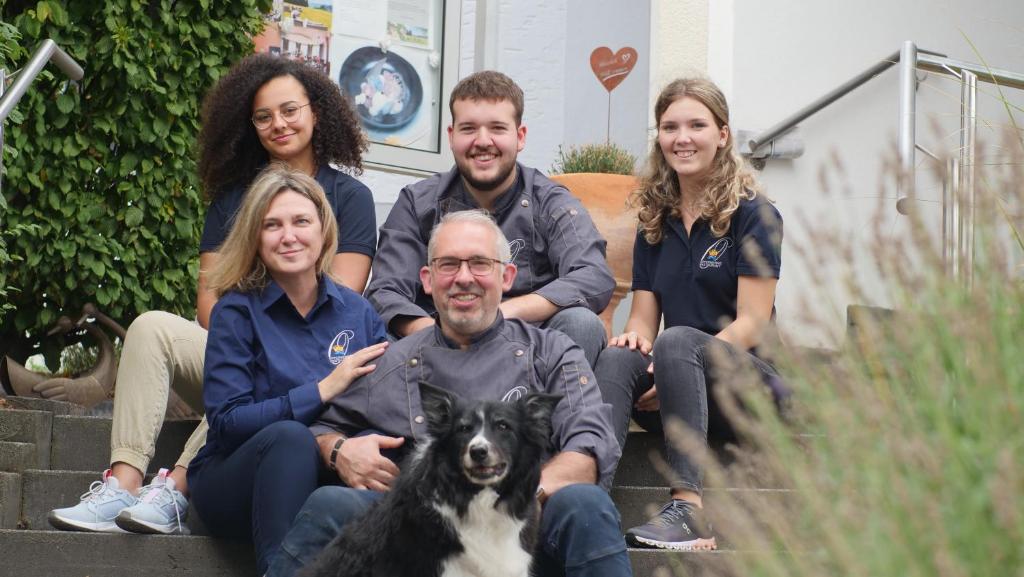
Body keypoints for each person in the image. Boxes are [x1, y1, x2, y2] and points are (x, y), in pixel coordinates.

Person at [48, 53, 376, 536]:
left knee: (264, 372)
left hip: (320, 361)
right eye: (262, 117)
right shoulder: (231, 201)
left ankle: (177, 489)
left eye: (290, 110)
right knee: (152, 326)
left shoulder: (350, 197)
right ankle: (123, 483)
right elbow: (209, 304)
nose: (277, 124)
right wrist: (248, 331)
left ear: (317, 112)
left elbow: (341, 299)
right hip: (236, 346)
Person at [266, 210, 632, 577]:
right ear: (427, 280)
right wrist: (340, 450)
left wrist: (515, 498)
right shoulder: (392, 361)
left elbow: (587, 446)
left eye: (479, 264)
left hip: (520, 529)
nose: (463, 278)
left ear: (506, 277)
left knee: (586, 503)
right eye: (448, 265)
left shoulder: (552, 352)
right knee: (330, 503)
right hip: (430, 533)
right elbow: (320, 428)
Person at [593, 78, 783, 551]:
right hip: (678, 395)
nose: (683, 137)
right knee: (618, 357)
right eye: (670, 126)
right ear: (659, 136)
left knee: (677, 340)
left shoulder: (755, 214)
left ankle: (688, 511)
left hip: (749, 394)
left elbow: (754, 321)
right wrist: (635, 342)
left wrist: (676, 363)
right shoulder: (655, 219)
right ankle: (589, 502)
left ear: (723, 135)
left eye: (697, 125)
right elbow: (642, 318)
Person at [187, 164, 388, 575]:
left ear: (323, 230)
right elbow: (227, 422)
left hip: (326, 478)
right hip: (236, 480)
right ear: (255, 238)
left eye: (301, 221)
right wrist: (322, 389)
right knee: (289, 439)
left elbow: (382, 398)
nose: (289, 236)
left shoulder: (357, 312)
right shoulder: (236, 311)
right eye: (272, 225)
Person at [365, 71, 614, 368]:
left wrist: (499, 316)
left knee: (582, 323)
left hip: (527, 351)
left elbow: (593, 275)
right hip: (437, 351)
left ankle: (546, 416)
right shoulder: (417, 203)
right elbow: (385, 291)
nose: (483, 141)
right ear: (451, 135)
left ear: (519, 137)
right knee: (376, 338)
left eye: (497, 128)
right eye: (469, 128)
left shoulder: (551, 201)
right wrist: (437, 333)